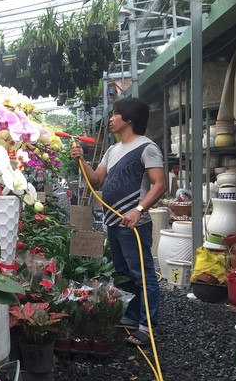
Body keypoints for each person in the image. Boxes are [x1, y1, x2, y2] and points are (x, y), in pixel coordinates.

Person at [70, 97, 168, 347]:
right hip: (113, 222)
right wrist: (81, 160)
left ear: (130, 118)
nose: (111, 119)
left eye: (116, 114)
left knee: (142, 275)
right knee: (124, 274)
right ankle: (132, 317)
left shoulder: (146, 147)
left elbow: (160, 184)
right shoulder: (112, 150)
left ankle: (147, 326)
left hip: (134, 224)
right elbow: (96, 181)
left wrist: (138, 210)